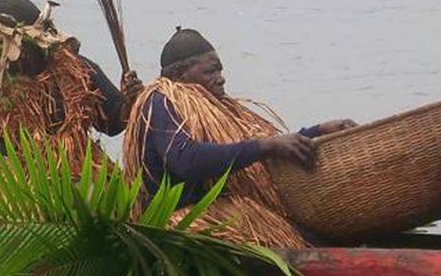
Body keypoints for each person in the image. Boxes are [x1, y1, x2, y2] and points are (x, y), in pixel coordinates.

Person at [122, 27, 357, 248]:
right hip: (185, 224)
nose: (221, 77)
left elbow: (257, 140)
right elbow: (187, 161)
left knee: (313, 236)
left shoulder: (212, 106)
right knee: (299, 243)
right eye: (211, 70)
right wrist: (264, 147)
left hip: (222, 211)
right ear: (181, 74)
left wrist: (317, 131)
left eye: (220, 70)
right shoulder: (159, 103)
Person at [0, 0, 141, 173]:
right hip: (15, 182)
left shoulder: (78, 71)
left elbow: (113, 123)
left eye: (8, 45)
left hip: (75, 173)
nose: (4, 55)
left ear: (34, 41)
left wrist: (130, 102)